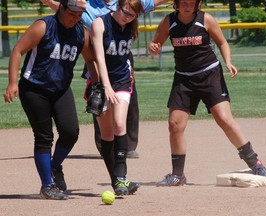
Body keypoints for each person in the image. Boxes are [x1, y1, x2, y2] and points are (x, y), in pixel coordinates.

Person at [149, 0, 266, 186]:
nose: (187, 6)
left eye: (191, 2)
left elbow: (222, 42)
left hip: (209, 75)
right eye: (183, 2)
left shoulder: (206, 19)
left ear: (198, 4)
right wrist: (153, 48)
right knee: (175, 124)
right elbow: (155, 43)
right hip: (183, 78)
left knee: (224, 119)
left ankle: (255, 162)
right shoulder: (168, 21)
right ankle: (178, 175)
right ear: (176, 4)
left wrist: (228, 61)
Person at [41, 0, 169, 159]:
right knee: (100, 102)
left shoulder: (126, 3)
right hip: (97, 57)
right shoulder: (87, 5)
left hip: (121, 56)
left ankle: (127, 146)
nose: (128, 16)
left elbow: (151, 3)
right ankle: (105, 146)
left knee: (129, 101)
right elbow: (65, 7)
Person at [3, 0, 98, 199]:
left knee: (71, 132)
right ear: (61, 8)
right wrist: (12, 83)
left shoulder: (81, 32)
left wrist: (96, 85)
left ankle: (54, 166)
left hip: (61, 89)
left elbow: (90, 59)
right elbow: (18, 50)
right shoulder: (43, 26)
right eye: (72, 13)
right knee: (44, 137)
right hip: (34, 88)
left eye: (79, 15)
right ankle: (47, 186)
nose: (75, 18)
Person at [89, 0, 143, 195]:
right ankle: (117, 182)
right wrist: (105, 86)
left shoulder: (130, 26)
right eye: (125, 12)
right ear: (117, 6)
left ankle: (121, 177)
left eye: (132, 15)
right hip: (101, 83)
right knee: (107, 134)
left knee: (120, 124)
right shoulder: (100, 24)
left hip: (122, 81)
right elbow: (99, 57)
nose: (127, 17)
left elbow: (125, 55)